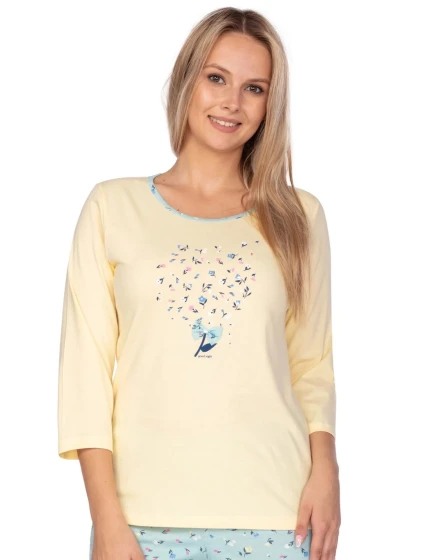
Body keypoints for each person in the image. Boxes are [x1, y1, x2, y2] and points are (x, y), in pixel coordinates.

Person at [57, 7, 340, 560]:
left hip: (278, 517)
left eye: (254, 88)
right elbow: (84, 377)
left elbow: (312, 364)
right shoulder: (112, 207)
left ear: (270, 105)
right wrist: (106, 520)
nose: (233, 102)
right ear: (187, 80)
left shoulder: (298, 216)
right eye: (216, 78)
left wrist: (327, 471)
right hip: (141, 520)